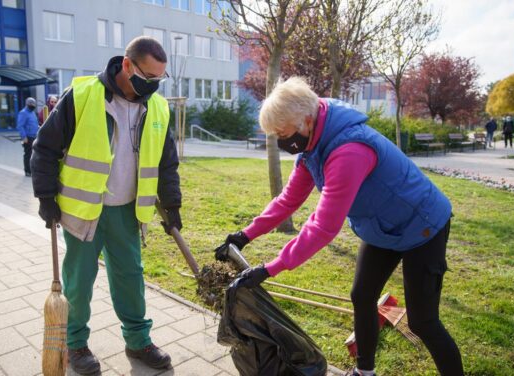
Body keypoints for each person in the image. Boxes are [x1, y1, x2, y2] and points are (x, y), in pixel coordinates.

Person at [215, 77, 463, 376]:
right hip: (381, 227)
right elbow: (288, 200)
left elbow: (323, 226)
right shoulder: (313, 143)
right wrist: (245, 235)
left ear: (305, 120)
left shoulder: (349, 150)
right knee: (362, 296)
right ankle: (364, 372)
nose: (281, 141)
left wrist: (270, 268)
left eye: (282, 133)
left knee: (423, 321)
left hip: (422, 226)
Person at [31, 36, 182, 374]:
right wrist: (45, 197)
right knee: (79, 280)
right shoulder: (82, 97)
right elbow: (44, 148)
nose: (153, 85)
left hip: (127, 211)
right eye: (148, 77)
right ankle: (75, 343)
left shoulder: (157, 106)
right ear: (127, 65)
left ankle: (138, 339)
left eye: (160, 79)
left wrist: (172, 204)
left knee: (131, 276)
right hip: (84, 210)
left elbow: (166, 162)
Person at [16, 97, 39, 177]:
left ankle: (32, 169)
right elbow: (20, 126)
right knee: (28, 154)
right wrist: (24, 137)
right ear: (27, 104)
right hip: (28, 137)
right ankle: (27, 171)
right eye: (31, 104)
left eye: (34, 104)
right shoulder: (23, 113)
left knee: (34, 154)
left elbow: (34, 124)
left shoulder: (32, 113)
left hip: (34, 136)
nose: (33, 106)